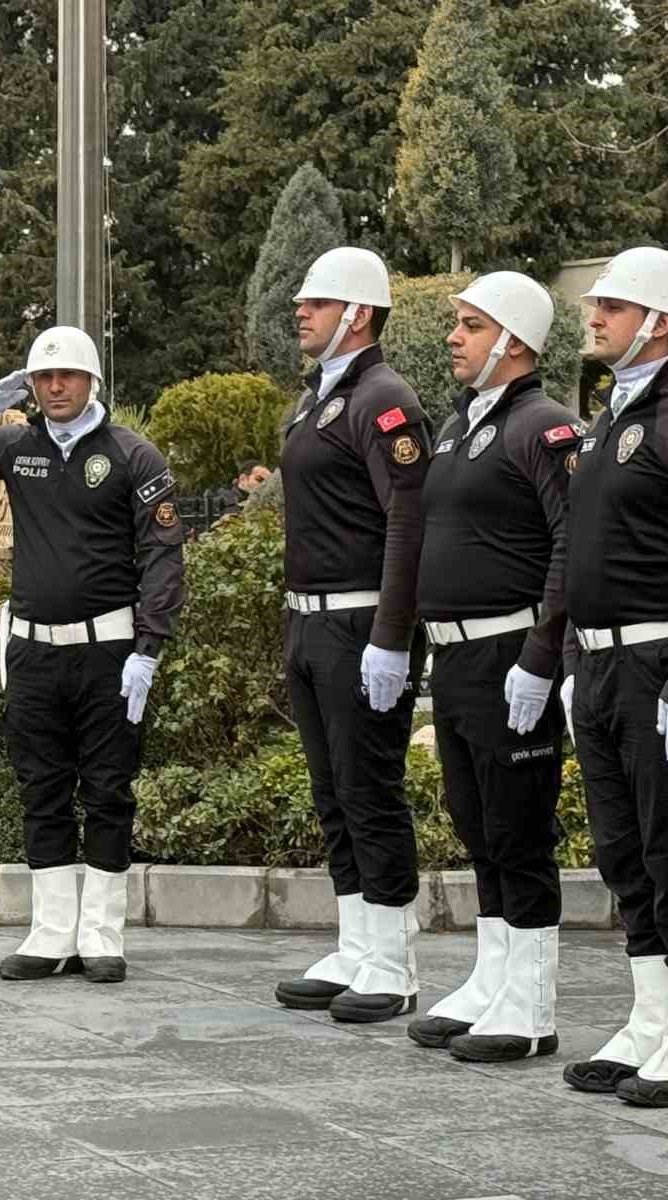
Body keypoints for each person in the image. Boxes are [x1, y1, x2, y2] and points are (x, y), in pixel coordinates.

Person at [0, 325, 185, 985]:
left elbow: (163, 556)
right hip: (32, 652)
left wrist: (149, 646)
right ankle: (51, 932)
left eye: (67, 376)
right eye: (42, 378)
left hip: (109, 652)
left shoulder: (131, 454)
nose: (55, 387)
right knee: (42, 791)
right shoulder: (15, 445)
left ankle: (101, 936)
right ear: (30, 387)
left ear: (92, 381)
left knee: (109, 792)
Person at [557, 247, 668, 1111]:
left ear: (658, 321)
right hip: (602, 664)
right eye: (595, 304)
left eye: (612, 306)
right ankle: (653, 1019)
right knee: (625, 854)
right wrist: (566, 660)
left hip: (661, 664)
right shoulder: (608, 417)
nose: (594, 315)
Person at [405, 273, 578, 1062]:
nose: (453, 337)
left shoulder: (545, 429)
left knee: (518, 829)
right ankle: (493, 978)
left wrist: (542, 656)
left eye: (469, 325)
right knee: (478, 825)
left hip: (511, 652)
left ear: (511, 340)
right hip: (457, 656)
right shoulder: (458, 424)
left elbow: (572, 548)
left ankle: (532, 1006)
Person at [273, 246, 432, 1023]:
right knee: (334, 792)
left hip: (362, 621)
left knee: (371, 791)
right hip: (311, 620)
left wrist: (393, 636)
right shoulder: (317, 399)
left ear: (358, 313)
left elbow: (408, 521)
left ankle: (393, 961)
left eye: (316, 302)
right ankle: (356, 942)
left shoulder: (384, 399)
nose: (300, 311)